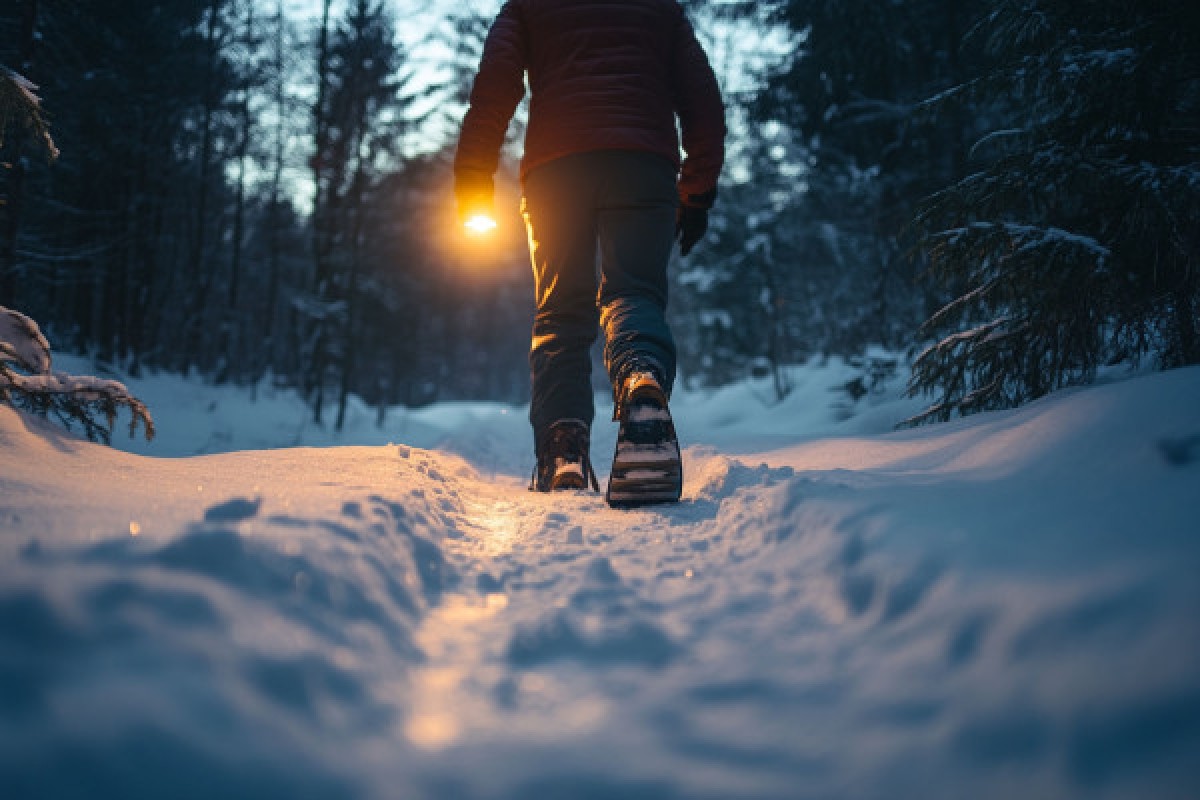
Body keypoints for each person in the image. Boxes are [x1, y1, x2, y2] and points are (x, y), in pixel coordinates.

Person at [454, 0, 725, 506]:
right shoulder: (660, 8)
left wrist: (472, 180)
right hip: (643, 167)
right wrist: (697, 191)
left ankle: (564, 452)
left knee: (561, 312)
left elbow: (493, 89)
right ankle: (641, 379)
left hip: (557, 171)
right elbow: (702, 100)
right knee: (633, 293)